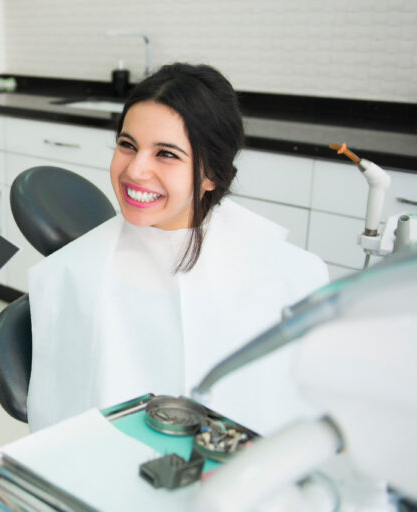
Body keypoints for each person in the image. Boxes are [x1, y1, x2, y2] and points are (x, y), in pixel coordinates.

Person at [26, 63, 330, 433]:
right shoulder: (71, 274)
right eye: (127, 145)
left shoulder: (291, 279)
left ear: (211, 174)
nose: (135, 170)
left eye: (166, 154)